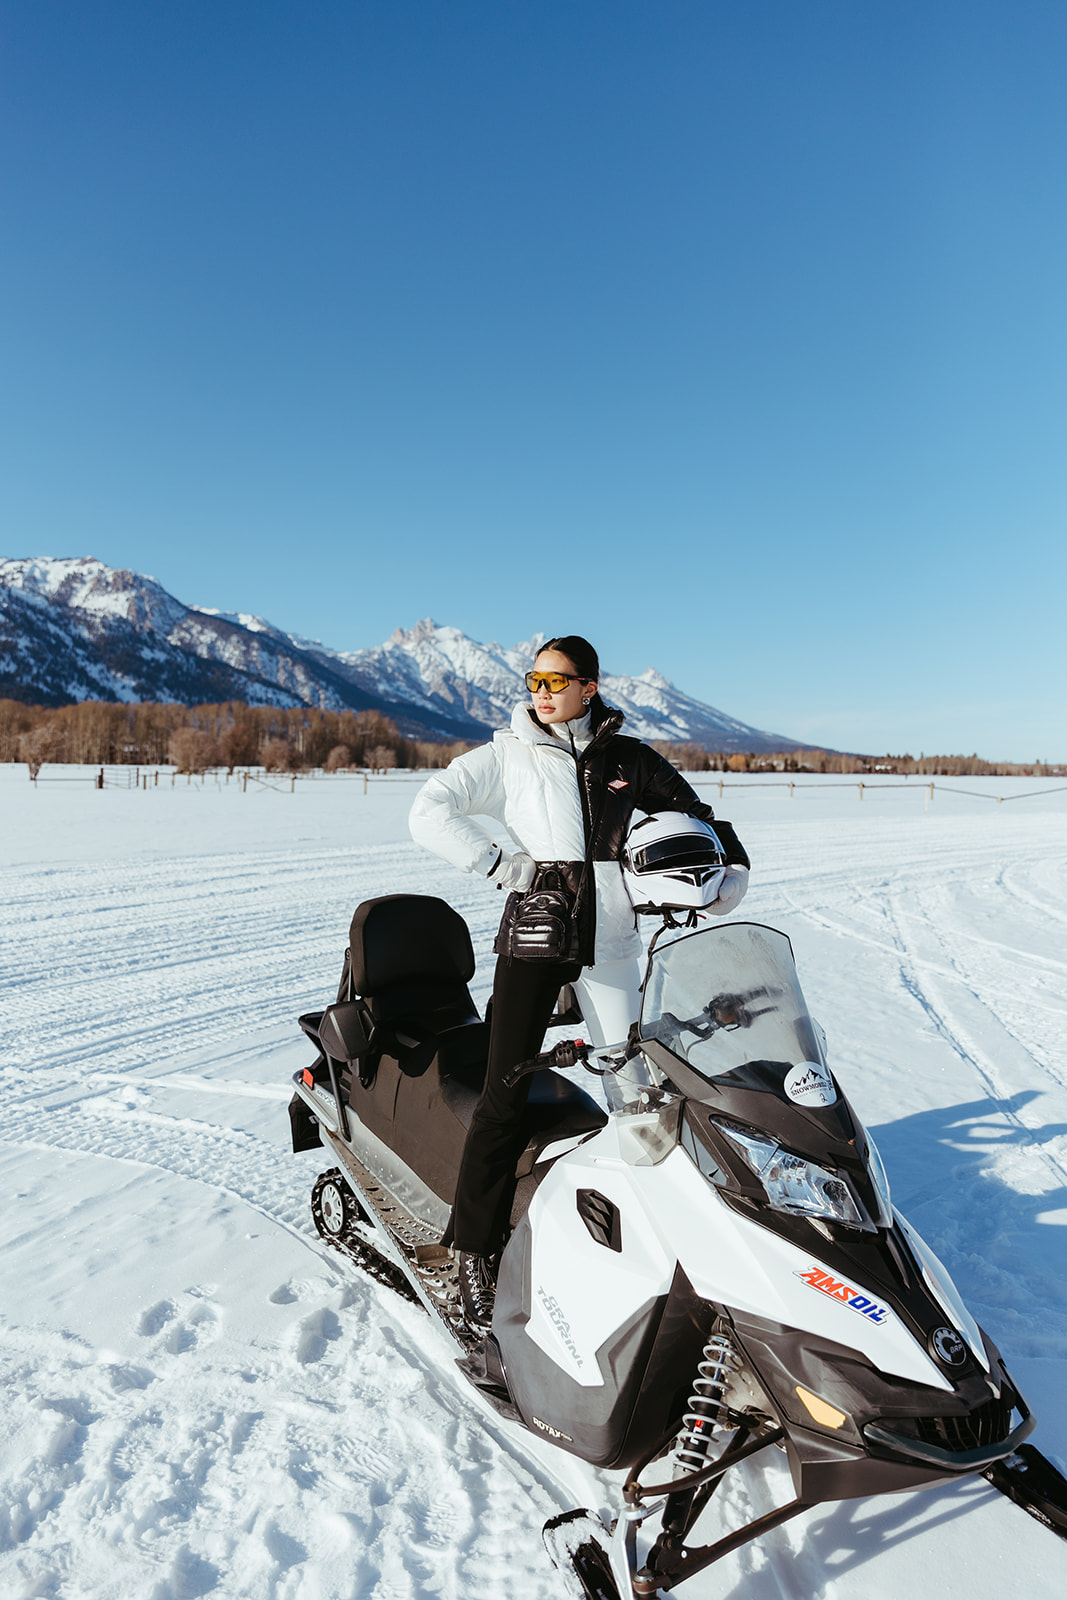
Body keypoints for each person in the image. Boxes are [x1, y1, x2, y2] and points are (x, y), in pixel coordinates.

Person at [408, 635, 750, 1325]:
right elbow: (428, 811)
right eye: (533, 678)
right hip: (535, 937)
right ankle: (471, 1248)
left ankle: (658, 1236)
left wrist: (728, 874)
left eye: (555, 680)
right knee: (504, 1092)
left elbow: (704, 822)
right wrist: (500, 866)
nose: (539, 690)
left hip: (614, 939)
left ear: (589, 687)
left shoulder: (629, 759)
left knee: (635, 1092)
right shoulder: (509, 753)